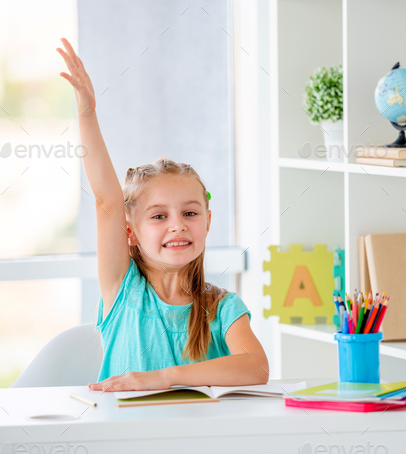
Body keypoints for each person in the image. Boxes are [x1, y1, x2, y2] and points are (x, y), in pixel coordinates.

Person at [56, 38, 268, 392]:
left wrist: (163, 378)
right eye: (158, 217)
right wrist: (87, 112)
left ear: (208, 221)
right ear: (130, 231)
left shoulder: (223, 308)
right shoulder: (124, 290)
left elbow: (256, 368)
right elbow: (107, 200)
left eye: (189, 212)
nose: (177, 225)